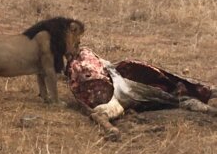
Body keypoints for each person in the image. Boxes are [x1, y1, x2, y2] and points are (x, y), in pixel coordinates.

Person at [66, 47, 217, 141]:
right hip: (113, 84)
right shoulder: (84, 56)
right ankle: (206, 99)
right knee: (172, 92)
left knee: (170, 90)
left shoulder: (81, 61)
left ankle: (108, 125)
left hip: (112, 85)